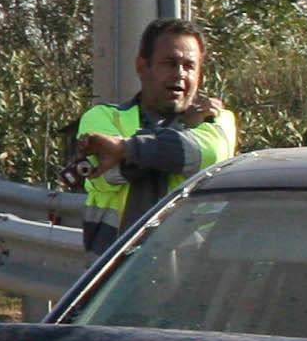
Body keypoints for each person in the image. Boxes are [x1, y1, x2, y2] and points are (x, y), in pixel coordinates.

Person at [70, 17, 235, 252]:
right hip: (113, 270)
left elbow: (206, 153)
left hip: (192, 271)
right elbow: (110, 174)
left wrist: (124, 149)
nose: (180, 74)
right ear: (142, 66)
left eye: (190, 66)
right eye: (169, 63)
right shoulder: (103, 118)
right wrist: (181, 132)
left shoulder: (217, 118)